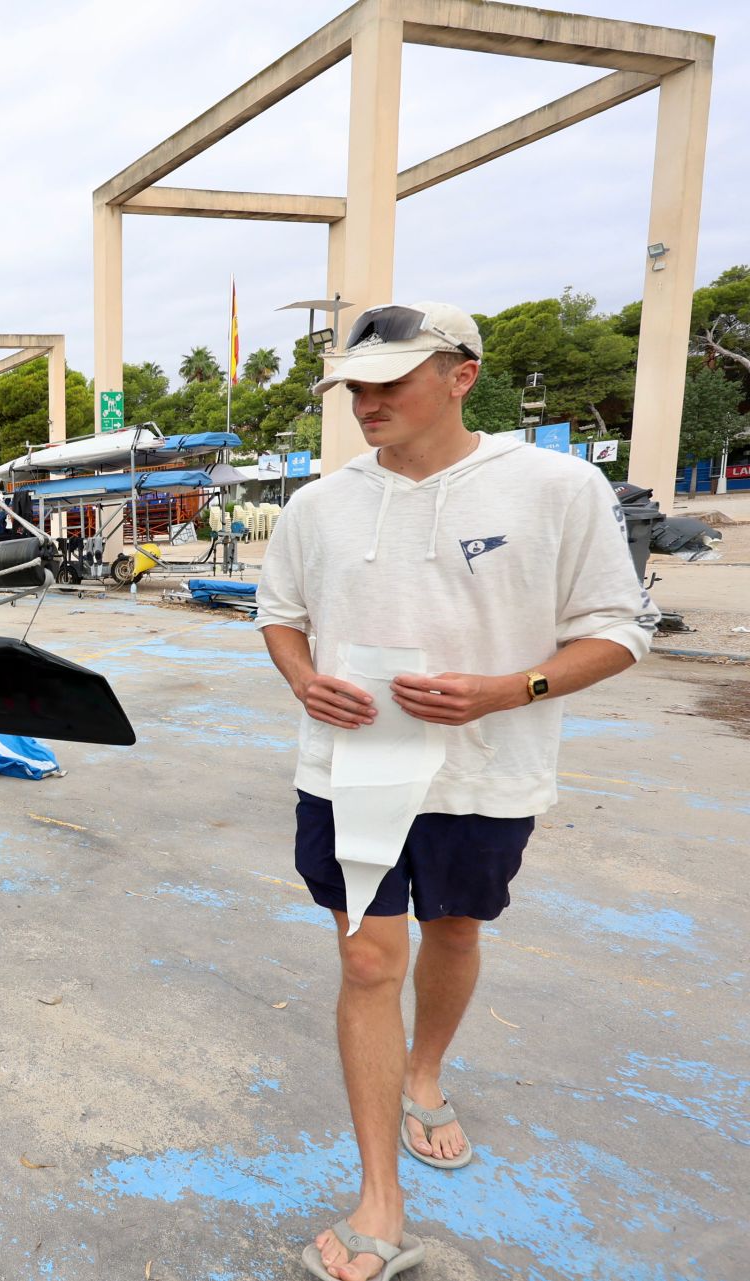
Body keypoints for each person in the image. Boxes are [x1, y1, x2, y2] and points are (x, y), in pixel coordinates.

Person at [254, 302, 656, 1281]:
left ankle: (424, 1075)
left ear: (461, 374)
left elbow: (619, 627)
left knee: (458, 931)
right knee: (366, 959)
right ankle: (379, 1201)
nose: (367, 402)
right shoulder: (318, 505)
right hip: (352, 768)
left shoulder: (555, 487)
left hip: (485, 770)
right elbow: (280, 613)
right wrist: (303, 678)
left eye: (389, 381)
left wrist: (508, 689)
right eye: (355, 386)